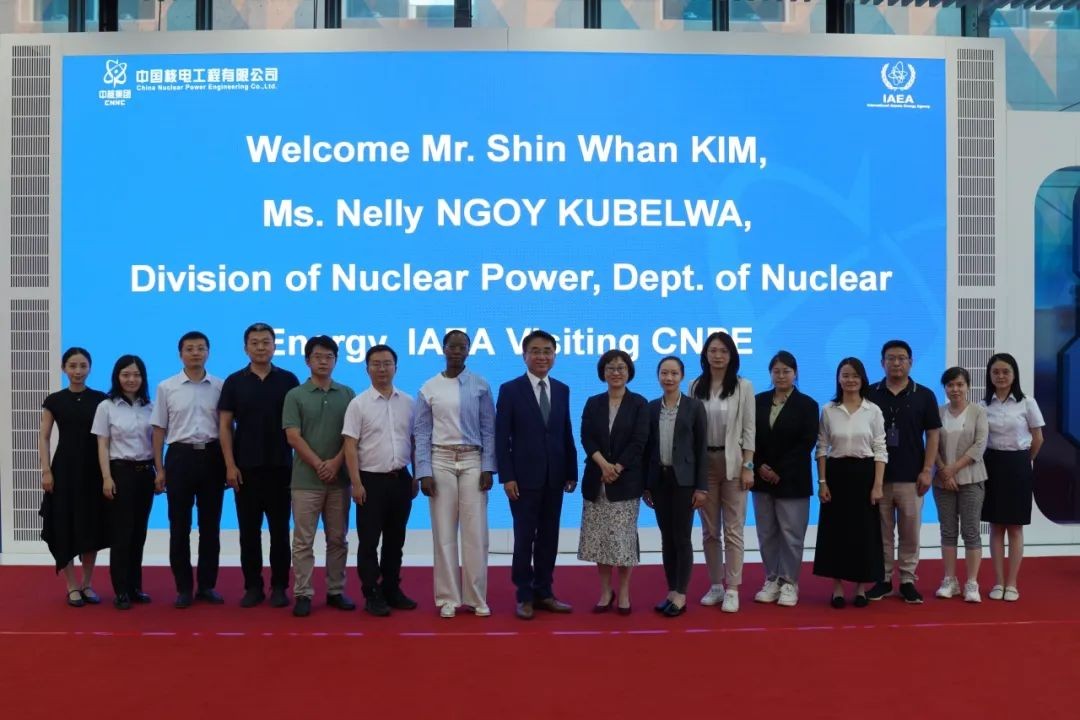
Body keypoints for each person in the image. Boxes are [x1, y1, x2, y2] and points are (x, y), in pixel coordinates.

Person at [495, 330, 578, 620]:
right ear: (524, 355)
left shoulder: (562, 389)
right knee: (524, 538)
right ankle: (524, 595)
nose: (542, 356)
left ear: (554, 355)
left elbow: (565, 431)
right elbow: (501, 437)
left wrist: (571, 470)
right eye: (535, 351)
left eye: (547, 351)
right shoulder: (510, 389)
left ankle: (544, 592)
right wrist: (507, 476)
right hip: (523, 479)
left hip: (555, 477)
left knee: (549, 538)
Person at [414, 331, 496, 619]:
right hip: (441, 460)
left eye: (463, 346)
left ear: (469, 350)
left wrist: (488, 467)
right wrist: (423, 471)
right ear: (444, 349)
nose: (457, 351)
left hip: (473, 459)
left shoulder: (481, 385)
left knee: (476, 533)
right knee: (444, 532)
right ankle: (448, 598)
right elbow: (421, 432)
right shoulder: (429, 388)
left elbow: (489, 429)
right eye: (453, 346)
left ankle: (476, 598)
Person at [218, 322, 300, 609]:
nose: (261, 347)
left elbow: (297, 426)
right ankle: (252, 587)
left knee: (280, 532)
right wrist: (230, 465)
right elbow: (225, 426)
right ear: (246, 348)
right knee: (249, 533)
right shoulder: (234, 381)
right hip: (246, 469)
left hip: (281, 468)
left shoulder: (288, 380)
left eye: (266, 342)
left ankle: (279, 587)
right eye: (255, 342)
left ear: (275, 346)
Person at [151, 331, 227, 608]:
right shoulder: (166, 387)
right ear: (180, 353)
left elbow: (227, 428)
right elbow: (159, 430)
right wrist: (159, 468)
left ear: (208, 352)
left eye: (201, 348)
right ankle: (183, 588)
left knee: (210, 527)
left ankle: (206, 586)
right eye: (190, 348)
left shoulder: (220, 386)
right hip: (179, 457)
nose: (195, 353)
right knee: (179, 527)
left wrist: (229, 464)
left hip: (212, 457)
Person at [282, 336, 356, 618]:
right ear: (307, 360)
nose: (323, 361)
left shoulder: (347, 394)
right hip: (305, 481)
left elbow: (352, 436)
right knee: (303, 541)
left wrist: (335, 463)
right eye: (317, 356)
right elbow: (293, 436)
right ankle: (303, 593)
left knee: (337, 539)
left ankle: (336, 591)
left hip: (339, 480)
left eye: (329, 357)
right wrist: (318, 464)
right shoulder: (295, 395)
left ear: (336, 360)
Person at [343, 344, 418, 617]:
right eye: (376, 364)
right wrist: (356, 483)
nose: (382, 369)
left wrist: (416, 476)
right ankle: (371, 592)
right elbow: (350, 445)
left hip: (401, 479)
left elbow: (414, 441)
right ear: (367, 369)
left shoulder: (409, 402)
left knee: (395, 540)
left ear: (396, 367)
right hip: (370, 481)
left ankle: (391, 588)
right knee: (369, 541)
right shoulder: (358, 404)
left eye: (387, 363)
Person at [866, 340, 941, 604]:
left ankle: (908, 580)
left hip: (912, 477)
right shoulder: (870, 393)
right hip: (878, 478)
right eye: (890, 358)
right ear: (882, 362)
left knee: (910, 533)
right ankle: (884, 579)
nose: (896, 363)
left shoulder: (925, 395)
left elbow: (933, 435)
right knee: (882, 534)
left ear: (910, 362)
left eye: (901, 358)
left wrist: (927, 470)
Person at [577, 349, 649, 615]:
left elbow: (639, 441)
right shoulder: (593, 402)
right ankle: (606, 591)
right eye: (610, 368)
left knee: (623, 540)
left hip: (626, 481)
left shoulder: (639, 403)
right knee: (600, 540)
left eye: (621, 367)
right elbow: (586, 437)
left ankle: (625, 592)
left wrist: (617, 467)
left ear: (629, 372)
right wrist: (603, 465)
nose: (616, 372)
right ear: (602, 372)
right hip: (597, 479)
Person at [812, 357, 887, 608]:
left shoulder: (873, 410)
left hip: (865, 475)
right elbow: (821, 448)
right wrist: (822, 482)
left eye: (855, 375)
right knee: (836, 533)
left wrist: (878, 485)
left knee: (863, 533)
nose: (850, 380)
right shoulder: (828, 410)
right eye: (845, 375)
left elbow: (880, 449)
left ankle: (860, 588)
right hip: (836, 474)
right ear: (838, 378)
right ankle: (837, 588)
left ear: (862, 379)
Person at [690, 331, 755, 613]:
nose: (718, 356)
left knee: (733, 529)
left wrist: (748, 466)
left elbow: (749, 429)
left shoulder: (743, 386)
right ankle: (716, 585)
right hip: (704, 464)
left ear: (732, 356)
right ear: (705, 354)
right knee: (709, 531)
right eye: (713, 350)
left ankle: (733, 588)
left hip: (733, 463)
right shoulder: (695, 386)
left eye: (723, 351)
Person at [38, 347, 108, 607]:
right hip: (63, 470)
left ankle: (87, 583)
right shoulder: (54, 400)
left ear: (90, 368)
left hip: (93, 471)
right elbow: (44, 436)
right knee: (63, 525)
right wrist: (46, 470)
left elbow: (106, 439)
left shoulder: (101, 399)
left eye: (83, 366)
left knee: (92, 526)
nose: (78, 371)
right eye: (72, 366)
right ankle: (71, 586)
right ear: (64, 368)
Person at [750, 351, 819, 608]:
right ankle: (772, 579)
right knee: (766, 533)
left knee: (791, 534)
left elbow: (806, 443)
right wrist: (759, 466)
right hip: (761, 477)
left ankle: (790, 582)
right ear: (770, 373)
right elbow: (748, 437)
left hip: (792, 478)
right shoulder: (757, 401)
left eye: (786, 371)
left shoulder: (808, 405)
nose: (781, 376)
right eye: (776, 371)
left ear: (795, 373)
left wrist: (778, 469)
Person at [644, 356, 708, 618]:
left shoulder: (694, 407)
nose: (668, 378)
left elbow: (701, 449)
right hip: (659, 481)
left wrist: (702, 487)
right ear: (658, 376)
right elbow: (647, 448)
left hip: (685, 482)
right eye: (664, 373)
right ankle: (671, 591)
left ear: (682, 376)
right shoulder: (650, 408)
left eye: (673, 373)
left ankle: (681, 594)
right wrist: (646, 485)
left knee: (681, 537)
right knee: (666, 538)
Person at [92, 355, 155, 610]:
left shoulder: (150, 407)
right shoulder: (106, 406)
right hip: (120, 473)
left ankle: (135, 587)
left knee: (139, 533)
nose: (131, 379)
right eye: (126, 374)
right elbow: (102, 444)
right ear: (117, 376)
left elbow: (156, 443)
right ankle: (120, 590)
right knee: (122, 534)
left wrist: (159, 472)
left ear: (143, 378)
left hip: (145, 473)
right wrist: (107, 477)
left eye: (137, 375)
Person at [980, 353, 1044, 602]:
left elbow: (1038, 438)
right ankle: (998, 582)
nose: (1001, 376)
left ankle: (1012, 583)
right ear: (989, 375)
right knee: (996, 526)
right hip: (992, 464)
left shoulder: (1027, 402)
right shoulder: (983, 405)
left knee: (1015, 527)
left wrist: (1025, 460)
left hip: (1019, 465)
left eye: (1005, 371)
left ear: (1014, 374)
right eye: (995, 372)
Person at [933, 367, 988, 603]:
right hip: (942, 482)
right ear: (944, 388)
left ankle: (972, 583)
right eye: (950, 385)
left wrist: (952, 469)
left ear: (968, 386)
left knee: (971, 531)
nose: (955, 389)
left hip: (971, 479)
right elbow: (932, 444)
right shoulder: (938, 412)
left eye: (959, 384)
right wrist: (944, 472)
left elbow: (979, 445)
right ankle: (950, 580)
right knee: (947, 531)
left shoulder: (978, 412)